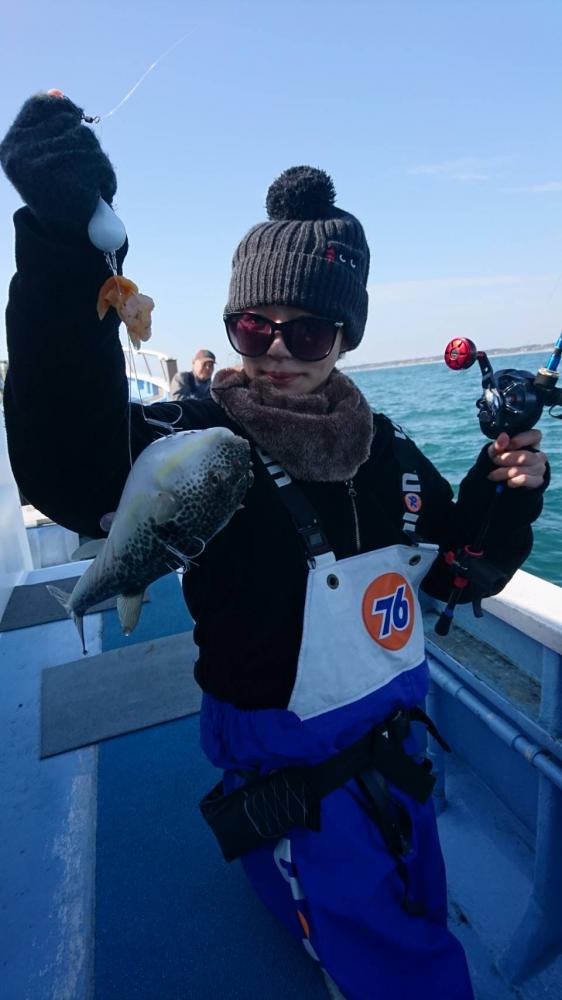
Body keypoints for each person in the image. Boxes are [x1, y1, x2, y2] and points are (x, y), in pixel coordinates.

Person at [1, 95, 549, 1000]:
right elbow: (69, 467)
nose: (280, 352)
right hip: (289, 770)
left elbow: (462, 574)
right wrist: (68, 239)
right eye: (254, 328)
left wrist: (505, 490)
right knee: (401, 972)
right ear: (233, 327)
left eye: (311, 331)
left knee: (418, 900)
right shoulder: (196, 439)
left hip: (397, 754)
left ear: (347, 338)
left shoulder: (392, 453)